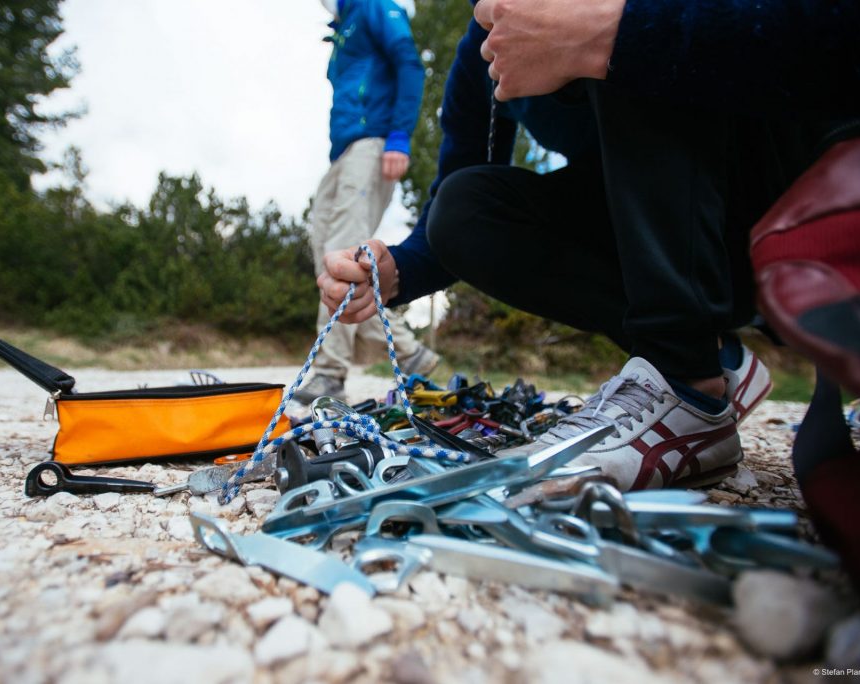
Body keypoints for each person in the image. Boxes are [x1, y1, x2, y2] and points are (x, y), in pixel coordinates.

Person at [318, 6, 782, 492]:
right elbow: (453, 201)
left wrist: (611, 33)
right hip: (655, 232)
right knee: (462, 208)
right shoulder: (486, 42)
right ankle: (707, 354)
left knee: (632, 31)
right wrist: (396, 272)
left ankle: (684, 379)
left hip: (762, 199)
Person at [293, 0, 439, 404]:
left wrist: (399, 137)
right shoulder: (342, 29)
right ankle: (411, 355)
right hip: (340, 153)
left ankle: (329, 373)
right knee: (329, 260)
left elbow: (409, 63)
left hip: (372, 142)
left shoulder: (376, 7)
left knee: (340, 257)